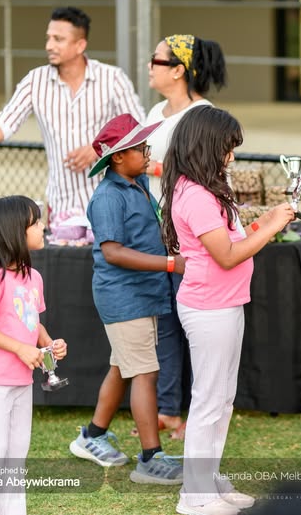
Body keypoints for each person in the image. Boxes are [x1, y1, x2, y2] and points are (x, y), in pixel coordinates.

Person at [161, 106, 295, 515]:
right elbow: (227, 256)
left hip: (225, 304)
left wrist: (262, 223)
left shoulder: (206, 190)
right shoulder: (197, 196)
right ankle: (195, 495)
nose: (231, 156)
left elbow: (232, 239)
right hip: (209, 308)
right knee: (208, 400)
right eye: (227, 148)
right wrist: (271, 228)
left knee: (222, 400)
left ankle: (210, 479)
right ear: (206, 147)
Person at [0, 6, 145, 222]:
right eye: (48, 38)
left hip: (114, 204)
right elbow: (2, 126)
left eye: (58, 39)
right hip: (63, 208)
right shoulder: (35, 81)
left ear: (80, 45)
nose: (49, 45)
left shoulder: (112, 78)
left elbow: (139, 129)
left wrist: (99, 149)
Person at [69, 114, 185, 486]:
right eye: (141, 148)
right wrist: (170, 263)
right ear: (118, 157)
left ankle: (92, 435)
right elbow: (113, 252)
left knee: (123, 367)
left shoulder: (139, 184)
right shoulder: (107, 197)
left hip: (144, 293)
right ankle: (150, 459)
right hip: (124, 296)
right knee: (145, 373)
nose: (147, 153)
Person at [141, 33, 228, 442]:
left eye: (156, 60)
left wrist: (155, 169)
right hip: (157, 231)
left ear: (178, 70)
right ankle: (169, 409)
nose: (149, 66)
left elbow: (212, 174)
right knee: (168, 322)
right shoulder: (155, 111)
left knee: (194, 325)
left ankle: (198, 412)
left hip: (190, 236)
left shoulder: (204, 116)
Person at [0, 195, 67, 515]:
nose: (43, 226)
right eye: (36, 222)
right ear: (14, 232)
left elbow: (31, 321)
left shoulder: (34, 278)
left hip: (21, 379)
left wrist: (49, 343)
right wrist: (20, 348)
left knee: (17, 453)